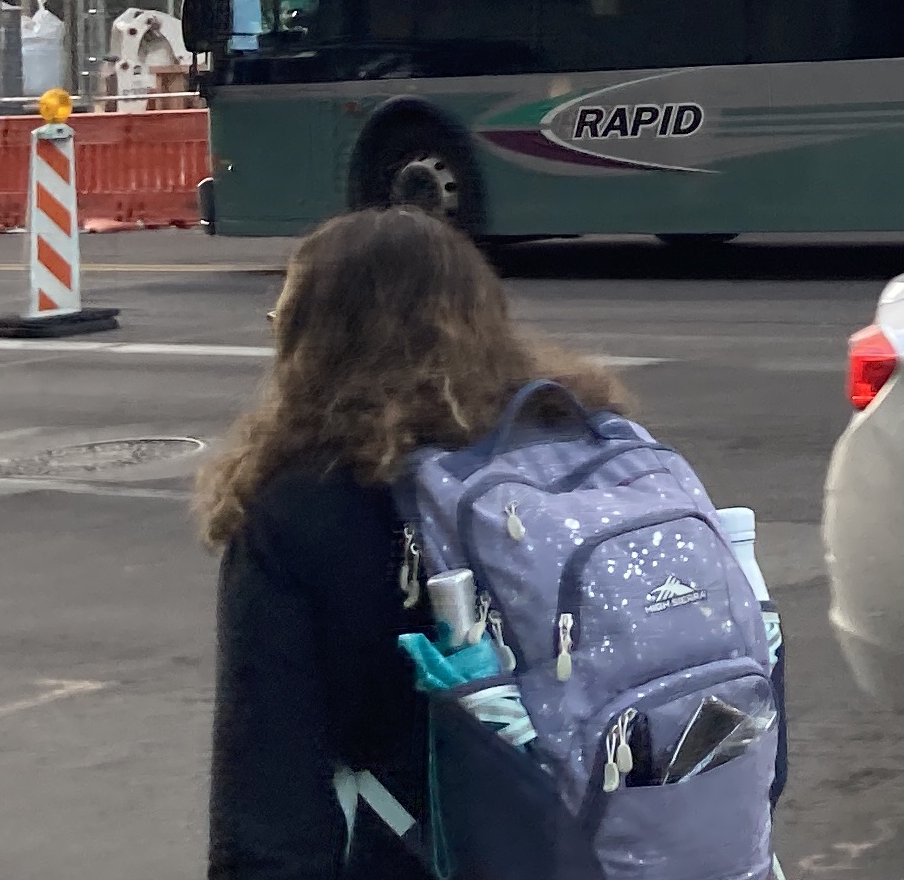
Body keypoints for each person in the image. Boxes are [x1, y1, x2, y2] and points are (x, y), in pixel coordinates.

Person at [197, 209, 629, 879]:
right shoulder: (578, 447)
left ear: (318, 344)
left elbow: (269, 799)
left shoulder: (304, 508)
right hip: (610, 842)